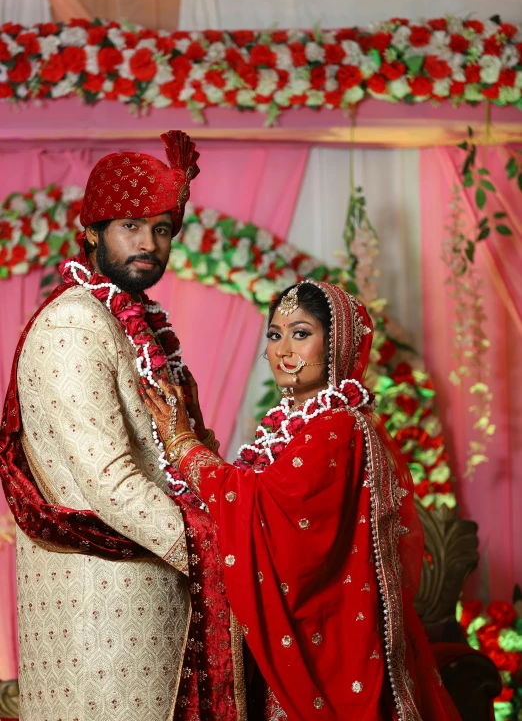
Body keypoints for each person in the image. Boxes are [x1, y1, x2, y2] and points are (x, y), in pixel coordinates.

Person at [0, 131, 244, 721]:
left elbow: (179, 452)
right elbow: (110, 481)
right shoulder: (75, 327)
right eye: (131, 225)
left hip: (143, 601)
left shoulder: (128, 320)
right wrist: (226, 551)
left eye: (162, 229)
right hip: (99, 611)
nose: (149, 243)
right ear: (92, 231)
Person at [144, 281, 462, 721]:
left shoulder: (337, 426)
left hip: (331, 640)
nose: (282, 350)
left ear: (337, 345)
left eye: (300, 333)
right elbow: (255, 495)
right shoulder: (299, 425)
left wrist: (183, 447)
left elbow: (270, 508)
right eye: (275, 335)